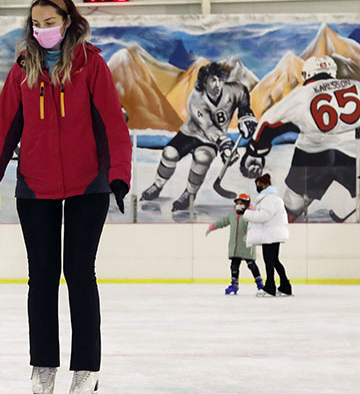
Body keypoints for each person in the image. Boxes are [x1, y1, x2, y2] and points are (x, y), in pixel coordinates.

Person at [0, 0, 131, 394]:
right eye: (36, 22)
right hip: (35, 185)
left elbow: (113, 124)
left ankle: (86, 369)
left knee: (79, 273)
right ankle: (43, 363)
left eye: (50, 21)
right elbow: (2, 131)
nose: (42, 28)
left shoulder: (90, 65)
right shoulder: (22, 70)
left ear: (67, 21)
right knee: (41, 276)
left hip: (88, 184)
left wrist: (118, 175)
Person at [241, 55, 360, 222]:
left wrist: (254, 152)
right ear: (333, 72)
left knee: (292, 206)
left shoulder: (302, 94)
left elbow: (268, 122)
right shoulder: (356, 86)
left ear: (307, 75)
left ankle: (283, 229)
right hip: (352, 153)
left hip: (313, 153)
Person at [141, 62, 258, 211]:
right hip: (191, 133)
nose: (218, 84)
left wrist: (245, 116)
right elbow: (207, 127)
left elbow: (243, 97)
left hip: (210, 140)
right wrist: (225, 145)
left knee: (202, 158)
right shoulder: (196, 99)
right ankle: (157, 185)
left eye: (220, 80)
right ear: (204, 82)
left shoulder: (234, 90)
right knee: (169, 153)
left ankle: (189, 194)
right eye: (213, 80)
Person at [243, 173, 291, 297]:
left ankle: (270, 287)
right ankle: (285, 285)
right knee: (274, 260)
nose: (257, 187)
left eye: (258, 184)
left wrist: (246, 214)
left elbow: (264, 216)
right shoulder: (273, 198)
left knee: (269, 261)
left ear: (264, 184)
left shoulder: (269, 199)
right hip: (273, 233)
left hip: (270, 234)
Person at [206, 193, 264, 295]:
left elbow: (256, 227)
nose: (239, 205)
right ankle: (234, 284)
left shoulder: (250, 215)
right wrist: (212, 227)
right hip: (235, 247)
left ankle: (260, 284)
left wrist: (251, 235)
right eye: (237, 203)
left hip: (247, 246)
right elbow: (223, 222)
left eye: (241, 203)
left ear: (246, 204)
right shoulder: (233, 215)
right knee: (234, 266)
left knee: (251, 265)